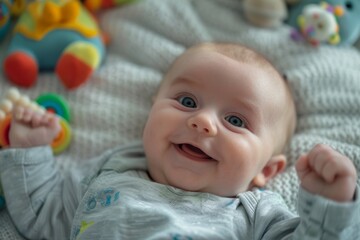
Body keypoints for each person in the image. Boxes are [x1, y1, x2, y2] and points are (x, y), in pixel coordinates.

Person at [0, 42, 358, 240]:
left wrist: (329, 205)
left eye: (235, 121)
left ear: (265, 169)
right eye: (187, 102)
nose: (202, 122)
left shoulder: (257, 216)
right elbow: (44, 220)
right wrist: (29, 150)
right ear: (151, 114)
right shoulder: (109, 172)